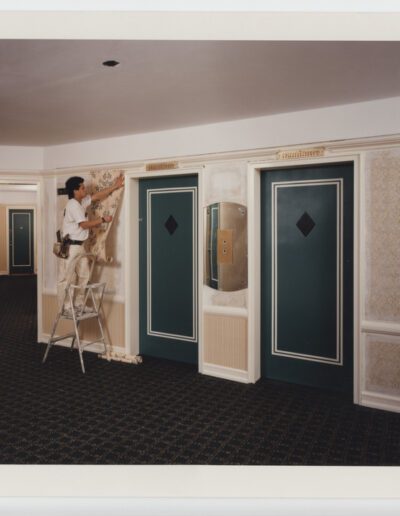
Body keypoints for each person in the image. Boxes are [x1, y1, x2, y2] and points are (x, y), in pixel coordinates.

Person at [57, 174, 124, 313]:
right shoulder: (73, 205)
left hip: (79, 246)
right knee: (68, 278)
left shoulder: (80, 202)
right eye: (82, 188)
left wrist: (115, 186)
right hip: (70, 247)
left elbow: (97, 196)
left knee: (84, 275)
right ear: (75, 191)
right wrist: (103, 220)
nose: (85, 190)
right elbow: (84, 225)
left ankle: (79, 304)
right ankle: (67, 306)